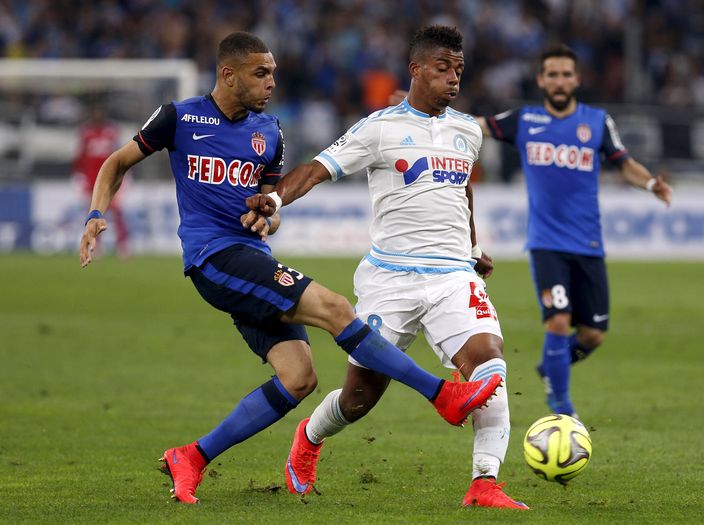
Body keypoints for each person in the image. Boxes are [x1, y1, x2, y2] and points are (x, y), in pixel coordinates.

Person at [78, 31, 501, 505]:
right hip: (213, 257)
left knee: (299, 378)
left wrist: (267, 214)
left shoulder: (269, 134)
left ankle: (191, 457)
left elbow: (270, 213)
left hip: (252, 259)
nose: (271, 82)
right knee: (336, 307)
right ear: (228, 74)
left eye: (274, 73)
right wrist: (96, 214)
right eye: (261, 73)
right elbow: (116, 162)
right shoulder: (180, 117)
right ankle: (441, 394)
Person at [244, 25, 527, 510]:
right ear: (416, 70)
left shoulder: (467, 131)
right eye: (443, 69)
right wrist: (273, 198)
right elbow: (317, 169)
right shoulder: (379, 128)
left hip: (453, 277)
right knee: (359, 398)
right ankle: (309, 438)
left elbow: (463, 190)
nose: (454, 79)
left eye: (459, 70)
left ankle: (484, 484)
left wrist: (473, 246)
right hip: (389, 280)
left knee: (488, 366)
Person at [476, 44, 673, 416]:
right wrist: (427, 110)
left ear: (577, 79)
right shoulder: (525, 120)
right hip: (546, 243)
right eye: (552, 74)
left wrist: (650, 184)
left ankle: (552, 365)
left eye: (566, 74)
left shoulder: (596, 122)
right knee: (559, 320)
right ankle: (562, 409)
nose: (560, 80)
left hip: (589, 243)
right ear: (541, 79)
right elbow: (477, 125)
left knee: (592, 335)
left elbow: (623, 163)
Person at [72, 102, 130, 258]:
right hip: (91, 180)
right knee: (95, 214)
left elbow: (121, 155)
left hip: (111, 180)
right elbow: (80, 157)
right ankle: (96, 246)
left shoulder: (112, 132)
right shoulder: (85, 133)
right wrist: (79, 176)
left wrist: (125, 175)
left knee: (117, 213)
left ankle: (123, 246)